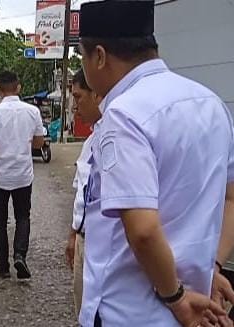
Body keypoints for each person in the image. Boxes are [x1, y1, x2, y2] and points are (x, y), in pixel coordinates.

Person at [77, 1, 234, 326]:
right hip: (195, 304)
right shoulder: (211, 104)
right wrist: (212, 268)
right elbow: (231, 198)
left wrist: (175, 299)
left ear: (100, 57)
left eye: (83, 56)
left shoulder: (124, 114)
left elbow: (144, 230)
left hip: (129, 312)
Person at [0, 71, 44, 279]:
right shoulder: (33, 111)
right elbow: (39, 143)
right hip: (22, 174)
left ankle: (2, 266)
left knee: (0, 221)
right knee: (23, 216)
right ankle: (20, 255)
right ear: (18, 87)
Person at [64, 69, 102, 316]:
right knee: (84, 313)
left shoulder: (117, 139)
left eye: (78, 97)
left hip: (102, 247)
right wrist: (73, 235)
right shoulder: (90, 142)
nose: (75, 106)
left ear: (97, 94)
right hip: (84, 239)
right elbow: (82, 194)